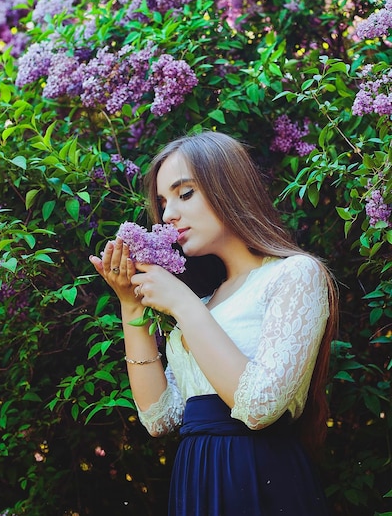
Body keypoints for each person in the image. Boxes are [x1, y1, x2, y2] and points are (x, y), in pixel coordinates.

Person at [89, 130, 338, 516]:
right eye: (162, 202)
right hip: (196, 478)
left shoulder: (294, 275)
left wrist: (182, 305)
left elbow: (259, 407)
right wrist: (130, 306)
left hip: (259, 476)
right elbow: (160, 417)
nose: (169, 214)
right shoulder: (203, 301)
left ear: (229, 187)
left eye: (184, 193)